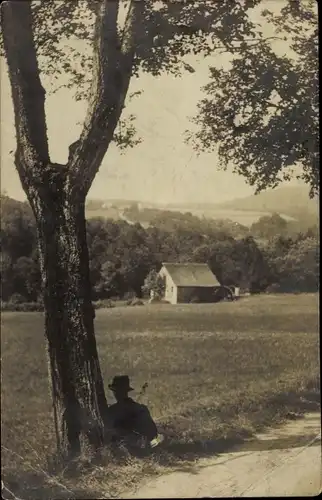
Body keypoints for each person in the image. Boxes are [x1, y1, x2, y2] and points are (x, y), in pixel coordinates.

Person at [105, 375, 162, 448]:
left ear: (114, 392)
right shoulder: (141, 408)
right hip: (142, 447)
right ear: (126, 391)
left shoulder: (112, 411)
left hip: (124, 448)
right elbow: (153, 432)